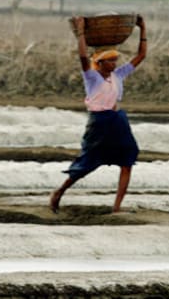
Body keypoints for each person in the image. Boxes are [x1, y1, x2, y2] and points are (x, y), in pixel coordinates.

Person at [50, 14, 148, 214]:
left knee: (128, 160)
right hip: (99, 123)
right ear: (100, 64)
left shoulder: (118, 75)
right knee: (87, 163)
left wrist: (142, 28)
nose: (114, 64)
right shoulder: (92, 77)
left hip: (118, 120)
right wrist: (81, 33)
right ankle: (59, 192)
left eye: (115, 60)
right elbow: (83, 58)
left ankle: (117, 207)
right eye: (110, 61)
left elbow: (141, 56)